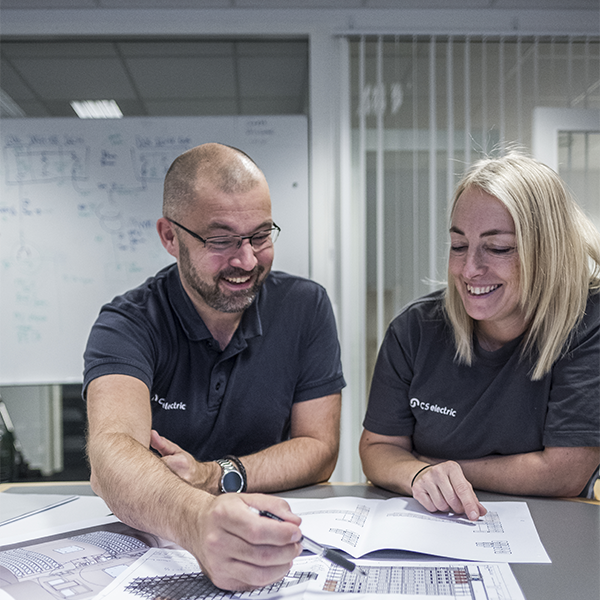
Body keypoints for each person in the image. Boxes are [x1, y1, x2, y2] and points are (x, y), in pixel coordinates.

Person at [84, 143, 345, 590]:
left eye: (260, 236)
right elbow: (110, 453)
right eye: (221, 240)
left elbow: (318, 448)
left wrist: (213, 476)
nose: (246, 261)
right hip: (160, 542)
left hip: (277, 537)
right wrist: (197, 519)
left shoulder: (306, 306)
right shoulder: (127, 323)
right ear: (170, 237)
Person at [360, 151, 600, 522]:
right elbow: (378, 447)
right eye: (458, 246)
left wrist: (439, 467)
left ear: (547, 251)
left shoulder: (587, 323)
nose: (469, 269)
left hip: (553, 530)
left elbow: (566, 472)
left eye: (498, 248)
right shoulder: (415, 330)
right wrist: (419, 475)